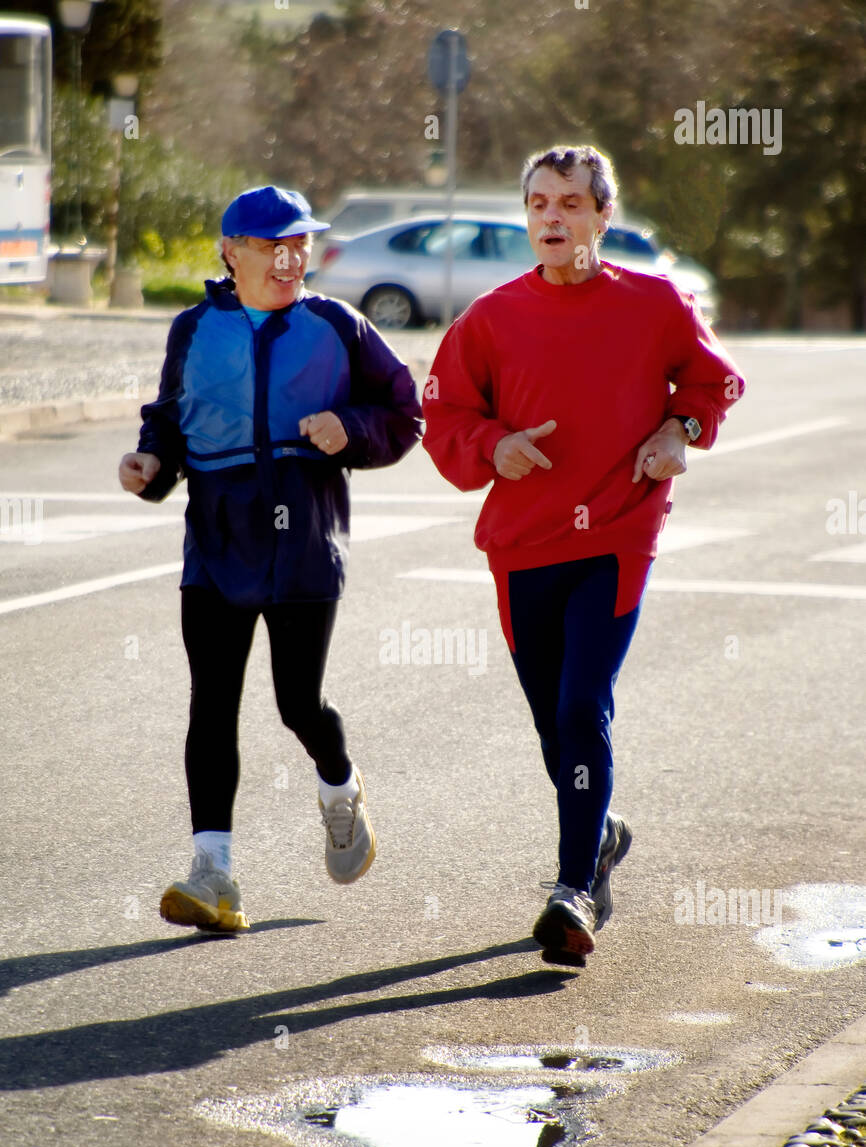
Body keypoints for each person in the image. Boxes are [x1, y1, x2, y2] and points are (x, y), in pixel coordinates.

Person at [423, 145, 745, 967]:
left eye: (570, 203)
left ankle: (571, 890)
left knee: (580, 705)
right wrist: (494, 446)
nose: (552, 217)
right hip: (523, 543)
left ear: (604, 216)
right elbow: (446, 413)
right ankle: (600, 834)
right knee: (550, 721)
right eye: (538, 204)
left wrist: (681, 430)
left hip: (616, 532)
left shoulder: (655, 303)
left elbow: (715, 383)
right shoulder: (491, 318)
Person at [119, 185, 422, 932]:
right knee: (211, 704)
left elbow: (404, 411)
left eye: (300, 245)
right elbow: (170, 419)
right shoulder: (193, 328)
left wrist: (348, 428)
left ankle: (339, 788)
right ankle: (213, 873)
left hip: (304, 547)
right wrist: (150, 464)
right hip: (218, 544)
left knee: (297, 704)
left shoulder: (335, 325)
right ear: (231, 252)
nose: (291, 260)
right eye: (272, 246)